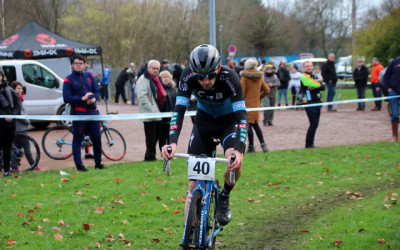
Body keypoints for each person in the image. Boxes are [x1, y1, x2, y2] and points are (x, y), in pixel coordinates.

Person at [161, 44, 248, 226]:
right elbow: (179, 111)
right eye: (201, 77)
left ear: (218, 69)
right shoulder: (187, 76)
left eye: (210, 76)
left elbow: (241, 118)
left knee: (234, 163)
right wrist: (173, 143)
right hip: (204, 124)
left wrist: (238, 151)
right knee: (193, 186)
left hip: (228, 124)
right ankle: (189, 237)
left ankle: (224, 195)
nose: (206, 81)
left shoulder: (230, 78)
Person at [63, 54, 103, 172]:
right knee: (78, 139)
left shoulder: (90, 75)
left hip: (93, 111)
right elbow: (66, 98)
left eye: (81, 63)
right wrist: (82, 99)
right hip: (79, 113)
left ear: (84, 65)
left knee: (97, 137)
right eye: (76, 63)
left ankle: (98, 163)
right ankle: (79, 166)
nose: (79, 65)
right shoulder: (68, 79)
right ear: (72, 65)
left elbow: (96, 91)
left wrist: (94, 99)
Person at [9, 81, 44, 171]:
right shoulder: (16, 100)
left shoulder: (17, 99)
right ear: (13, 90)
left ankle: (14, 167)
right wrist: (27, 121)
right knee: (27, 149)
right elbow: (20, 114)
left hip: (15, 129)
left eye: (21, 88)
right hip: (21, 129)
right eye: (18, 88)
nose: (20, 90)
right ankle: (33, 165)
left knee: (15, 149)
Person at [136, 60, 165, 161]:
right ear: (148, 68)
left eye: (157, 68)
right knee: (150, 138)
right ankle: (151, 157)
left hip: (158, 114)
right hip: (149, 115)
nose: (156, 70)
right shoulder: (143, 80)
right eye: (154, 68)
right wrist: (153, 110)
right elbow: (143, 98)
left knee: (156, 137)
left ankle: (148, 156)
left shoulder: (157, 79)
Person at [240, 58, 270, 153]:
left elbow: (242, 93)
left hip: (247, 105)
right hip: (256, 104)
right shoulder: (259, 77)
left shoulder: (245, 78)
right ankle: (263, 145)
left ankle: (251, 147)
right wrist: (258, 97)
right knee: (256, 125)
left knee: (248, 126)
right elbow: (267, 90)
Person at [0, 69, 22, 177]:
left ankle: (7, 171)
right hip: (1, 124)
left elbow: (17, 105)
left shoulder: (10, 90)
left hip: (10, 125)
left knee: (7, 149)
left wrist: (12, 116)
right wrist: (4, 117)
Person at [300, 61, 325, 148]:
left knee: (315, 124)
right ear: (304, 68)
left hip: (318, 102)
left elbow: (323, 86)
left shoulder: (315, 76)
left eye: (310, 66)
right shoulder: (304, 77)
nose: (309, 67)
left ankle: (311, 143)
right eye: (307, 66)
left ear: (313, 66)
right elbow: (317, 84)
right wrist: (318, 85)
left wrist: (318, 86)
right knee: (313, 124)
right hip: (310, 103)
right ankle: (308, 144)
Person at [158, 70, 177, 151]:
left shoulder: (174, 89)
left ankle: (170, 152)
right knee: (162, 137)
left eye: (167, 77)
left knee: (171, 137)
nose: (166, 79)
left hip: (172, 117)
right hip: (162, 118)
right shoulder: (158, 88)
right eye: (164, 77)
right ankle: (163, 153)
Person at [383, 56, 400, 141]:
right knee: (395, 115)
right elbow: (385, 77)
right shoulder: (394, 62)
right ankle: (395, 136)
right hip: (394, 92)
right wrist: (388, 88)